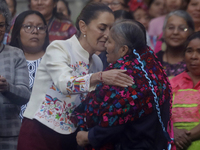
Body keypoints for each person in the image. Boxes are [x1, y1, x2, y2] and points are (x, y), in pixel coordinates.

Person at [17, 2, 133, 150]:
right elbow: (65, 83)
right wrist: (99, 77)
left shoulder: (97, 62)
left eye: (111, 29)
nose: (107, 34)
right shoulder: (59, 48)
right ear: (83, 26)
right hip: (39, 130)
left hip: (72, 136)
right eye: (102, 28)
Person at [75, 20, 173, 150]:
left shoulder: (121, 77)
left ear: (123, 50)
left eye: (109, 41)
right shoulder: (152, 67)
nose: (105, 46)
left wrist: (88, 137)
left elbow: (113, 123)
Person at [0, 1, 30, 149]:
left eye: (1, 25)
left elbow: (25, 95)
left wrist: (7, 87)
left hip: (9, 136)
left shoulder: (15, 54)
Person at [10, 10, 49, 120]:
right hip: (11, 125)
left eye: (40, 27)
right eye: (28, 27)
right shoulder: (8, 59)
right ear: (17, 32)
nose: (35, 31)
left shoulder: (55, 60)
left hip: (44, 127)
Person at [170, 31, 200, 150]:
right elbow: (161, 116)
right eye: (189, 51)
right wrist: (173, 132)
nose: (193, 56)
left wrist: (182, 137)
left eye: (199, 51)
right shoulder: (172, 83)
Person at [156, 10, 195, 79]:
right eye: (170, 27)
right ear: (164, 31)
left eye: (182, 29)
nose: (175, 32)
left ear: (191, 32)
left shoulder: (195, 61)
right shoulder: (154, 60)